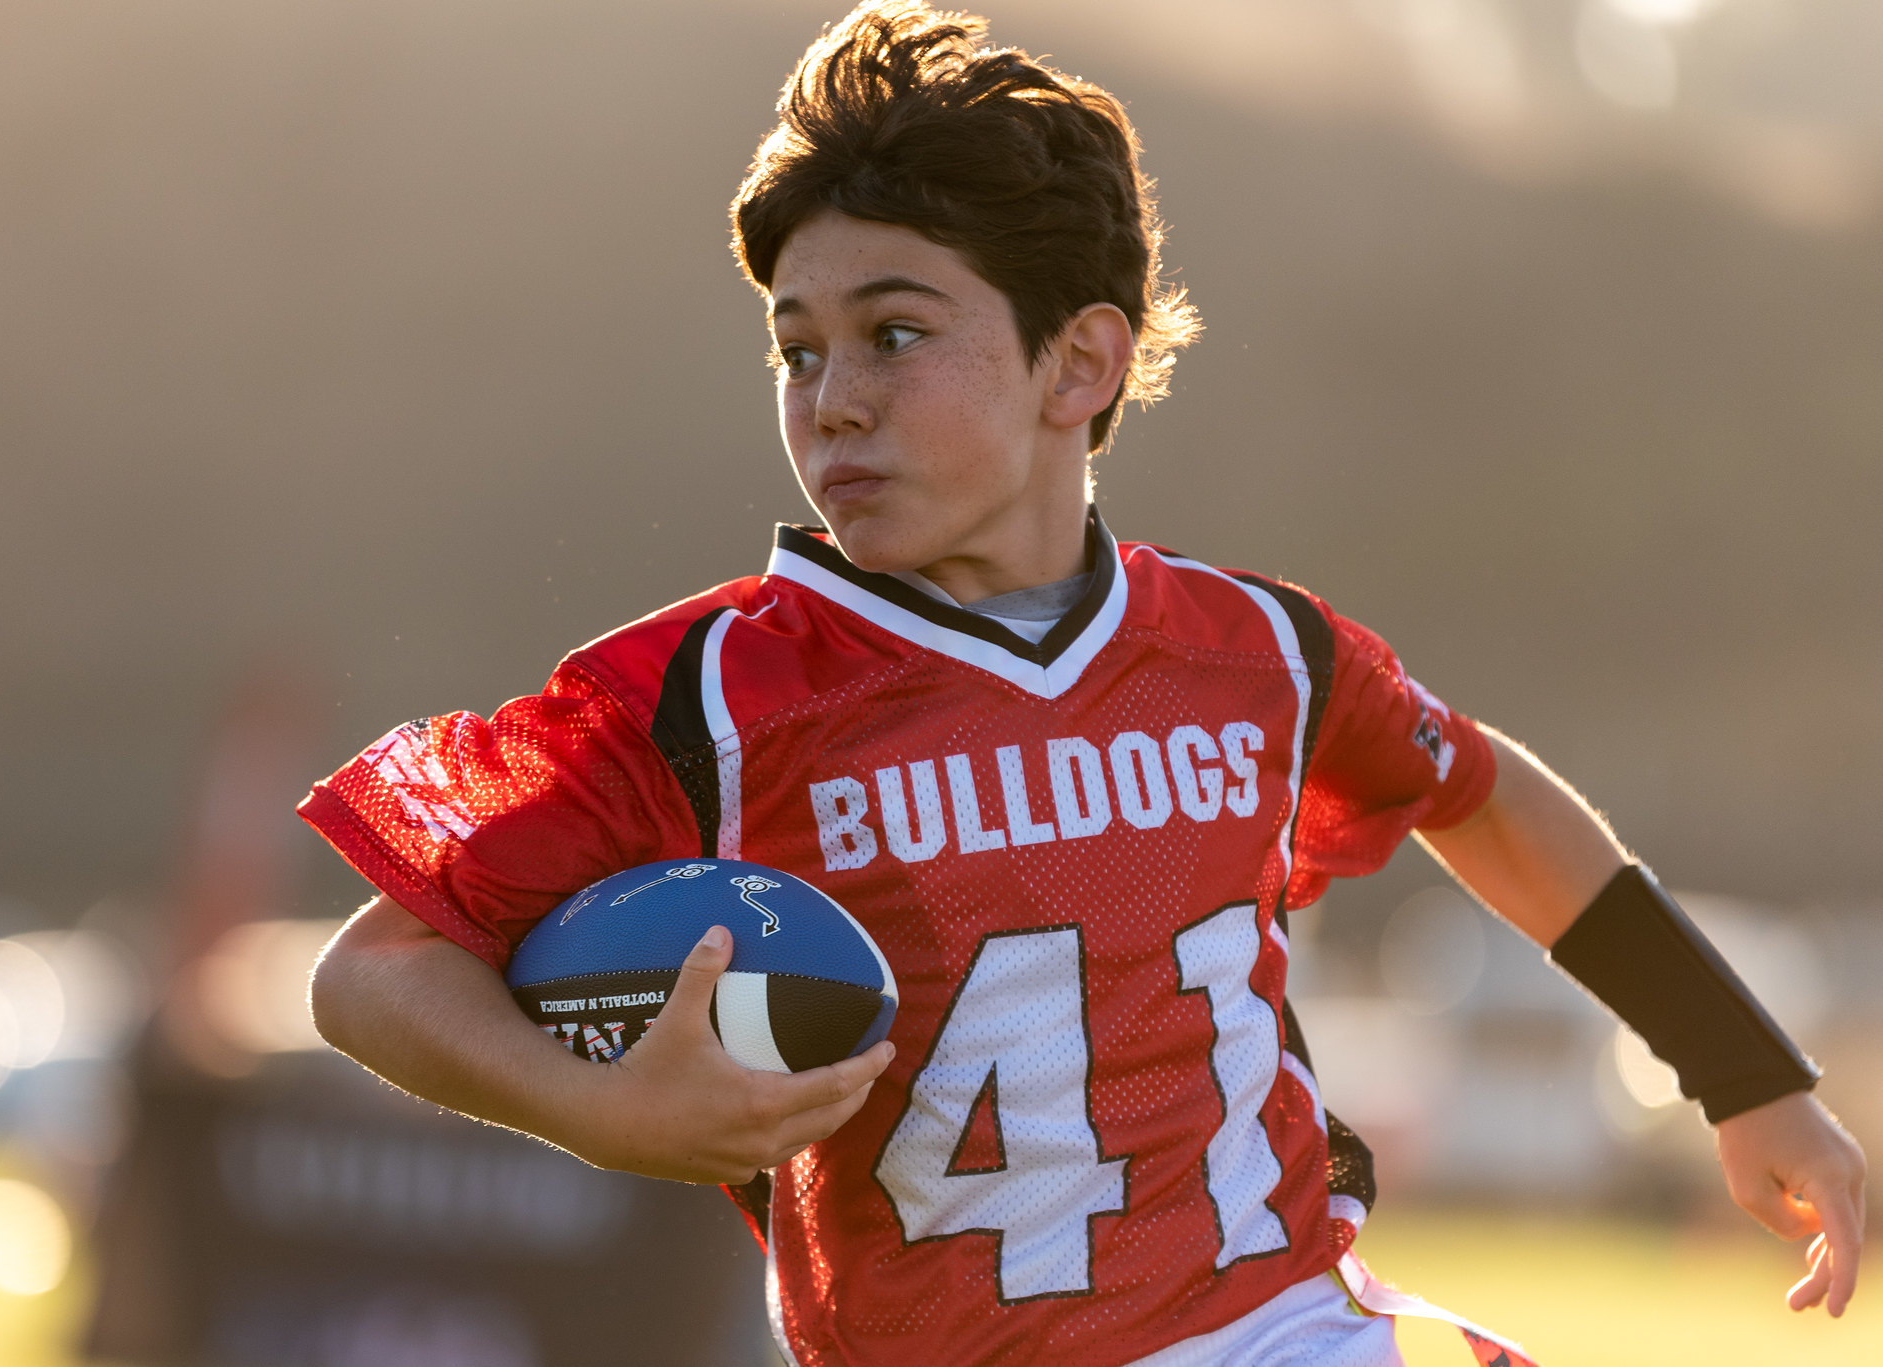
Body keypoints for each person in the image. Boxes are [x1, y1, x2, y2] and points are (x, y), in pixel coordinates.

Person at [299, 4, 1864, 1363]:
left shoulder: (1253, 651)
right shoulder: (708, 691)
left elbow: (1480, 795)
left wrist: (1740, 1072)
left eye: (895, 334)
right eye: (796, 350)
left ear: (1082, 364)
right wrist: (604, 1112)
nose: (833, 400)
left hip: (1292, 1329)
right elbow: (372, 971)